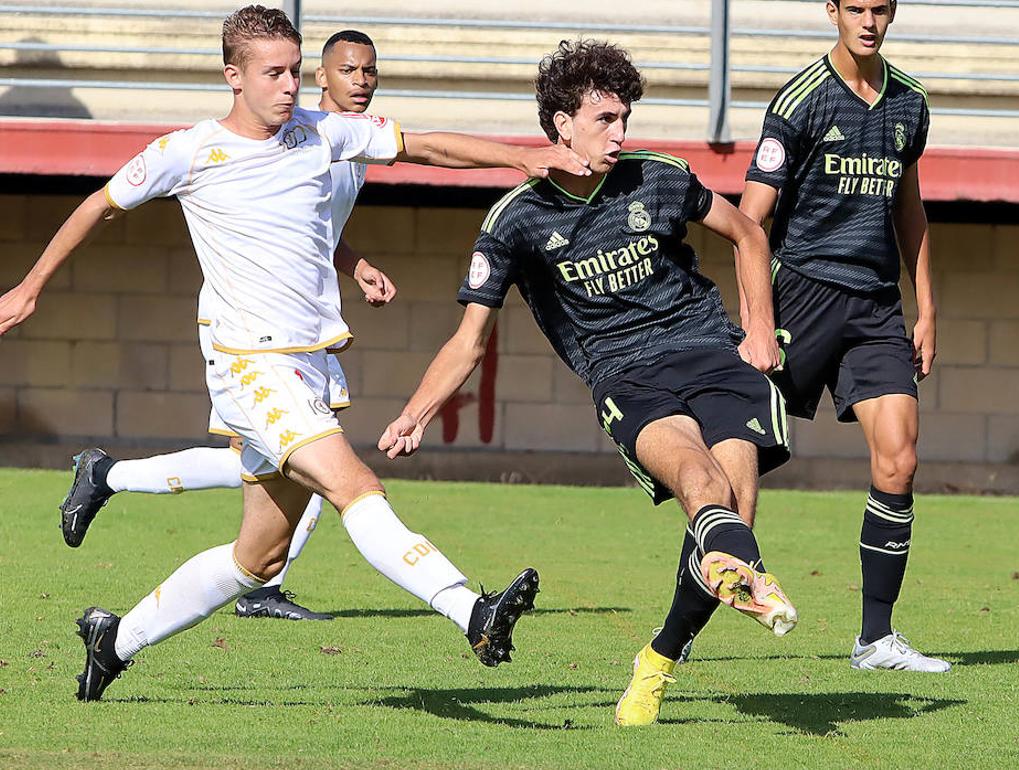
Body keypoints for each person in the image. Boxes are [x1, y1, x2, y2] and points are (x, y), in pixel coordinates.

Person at [0, 5, 591, 701]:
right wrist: (29, 288)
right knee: (355, 486)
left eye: (291, 69)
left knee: (258, 559)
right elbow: (98, 205)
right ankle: (471, 612)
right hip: (250, 364)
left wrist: (520, 155)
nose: (288, 86)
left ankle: (114, 639)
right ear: (234, 76)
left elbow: (424, 146)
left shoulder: (319, 132)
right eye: (272, 73)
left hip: (309, 361)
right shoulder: (187, 152)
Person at [377, 40, 799, 727]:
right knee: (705, 490)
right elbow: (467, 342)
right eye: (605, 119)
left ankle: (658, 661)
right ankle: (733, 596)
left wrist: (757, 327)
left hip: (713, 353)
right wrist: (417, 413)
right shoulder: (515, 220)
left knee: (728, 531)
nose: (620, 133)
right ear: (561, 123)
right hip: (626, 376)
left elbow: (749, 233)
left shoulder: (658, 177)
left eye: (624, 118)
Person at [58, 28, 395, 623]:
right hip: (238, 317)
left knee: (270, 457)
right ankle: (261, 585)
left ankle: (108, 474)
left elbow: (315, 232)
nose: (361, 82)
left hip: (289, 320)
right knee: (308, 455)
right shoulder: (292, 132)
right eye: (349, 71)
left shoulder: (340, 144)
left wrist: (356, 264)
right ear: (321, 77)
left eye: (370, 71)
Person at [737, 0, 948, 672]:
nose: (868, 20)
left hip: (876, 306)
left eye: (879, 9)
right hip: (798, 295)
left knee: (900, 458)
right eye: (854, 7)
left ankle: (876, 639)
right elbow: (750, 219)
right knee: (734, 468)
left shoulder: (911, 101)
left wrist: (927, 307)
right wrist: (757, 322)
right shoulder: (800, 101)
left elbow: (909, 208)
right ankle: (682, 630)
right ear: (831, 11)